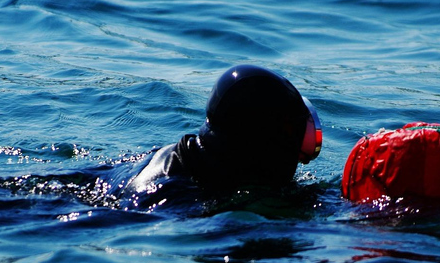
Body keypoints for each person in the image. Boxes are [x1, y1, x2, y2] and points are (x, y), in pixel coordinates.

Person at [117, 64, 322, 209]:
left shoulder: (193, 155)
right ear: (264, 141)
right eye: (294, 135)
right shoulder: (176, 194)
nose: (300, 158)